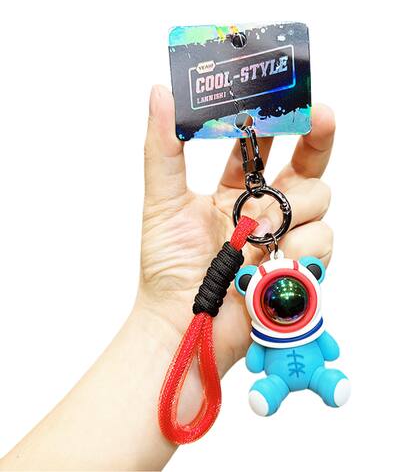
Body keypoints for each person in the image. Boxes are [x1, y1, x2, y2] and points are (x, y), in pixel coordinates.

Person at [0, 85, 336, 471]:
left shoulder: (263, 280)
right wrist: (166, 323)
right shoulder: (239, 280)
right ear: (245, 283)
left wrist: (169, 330)